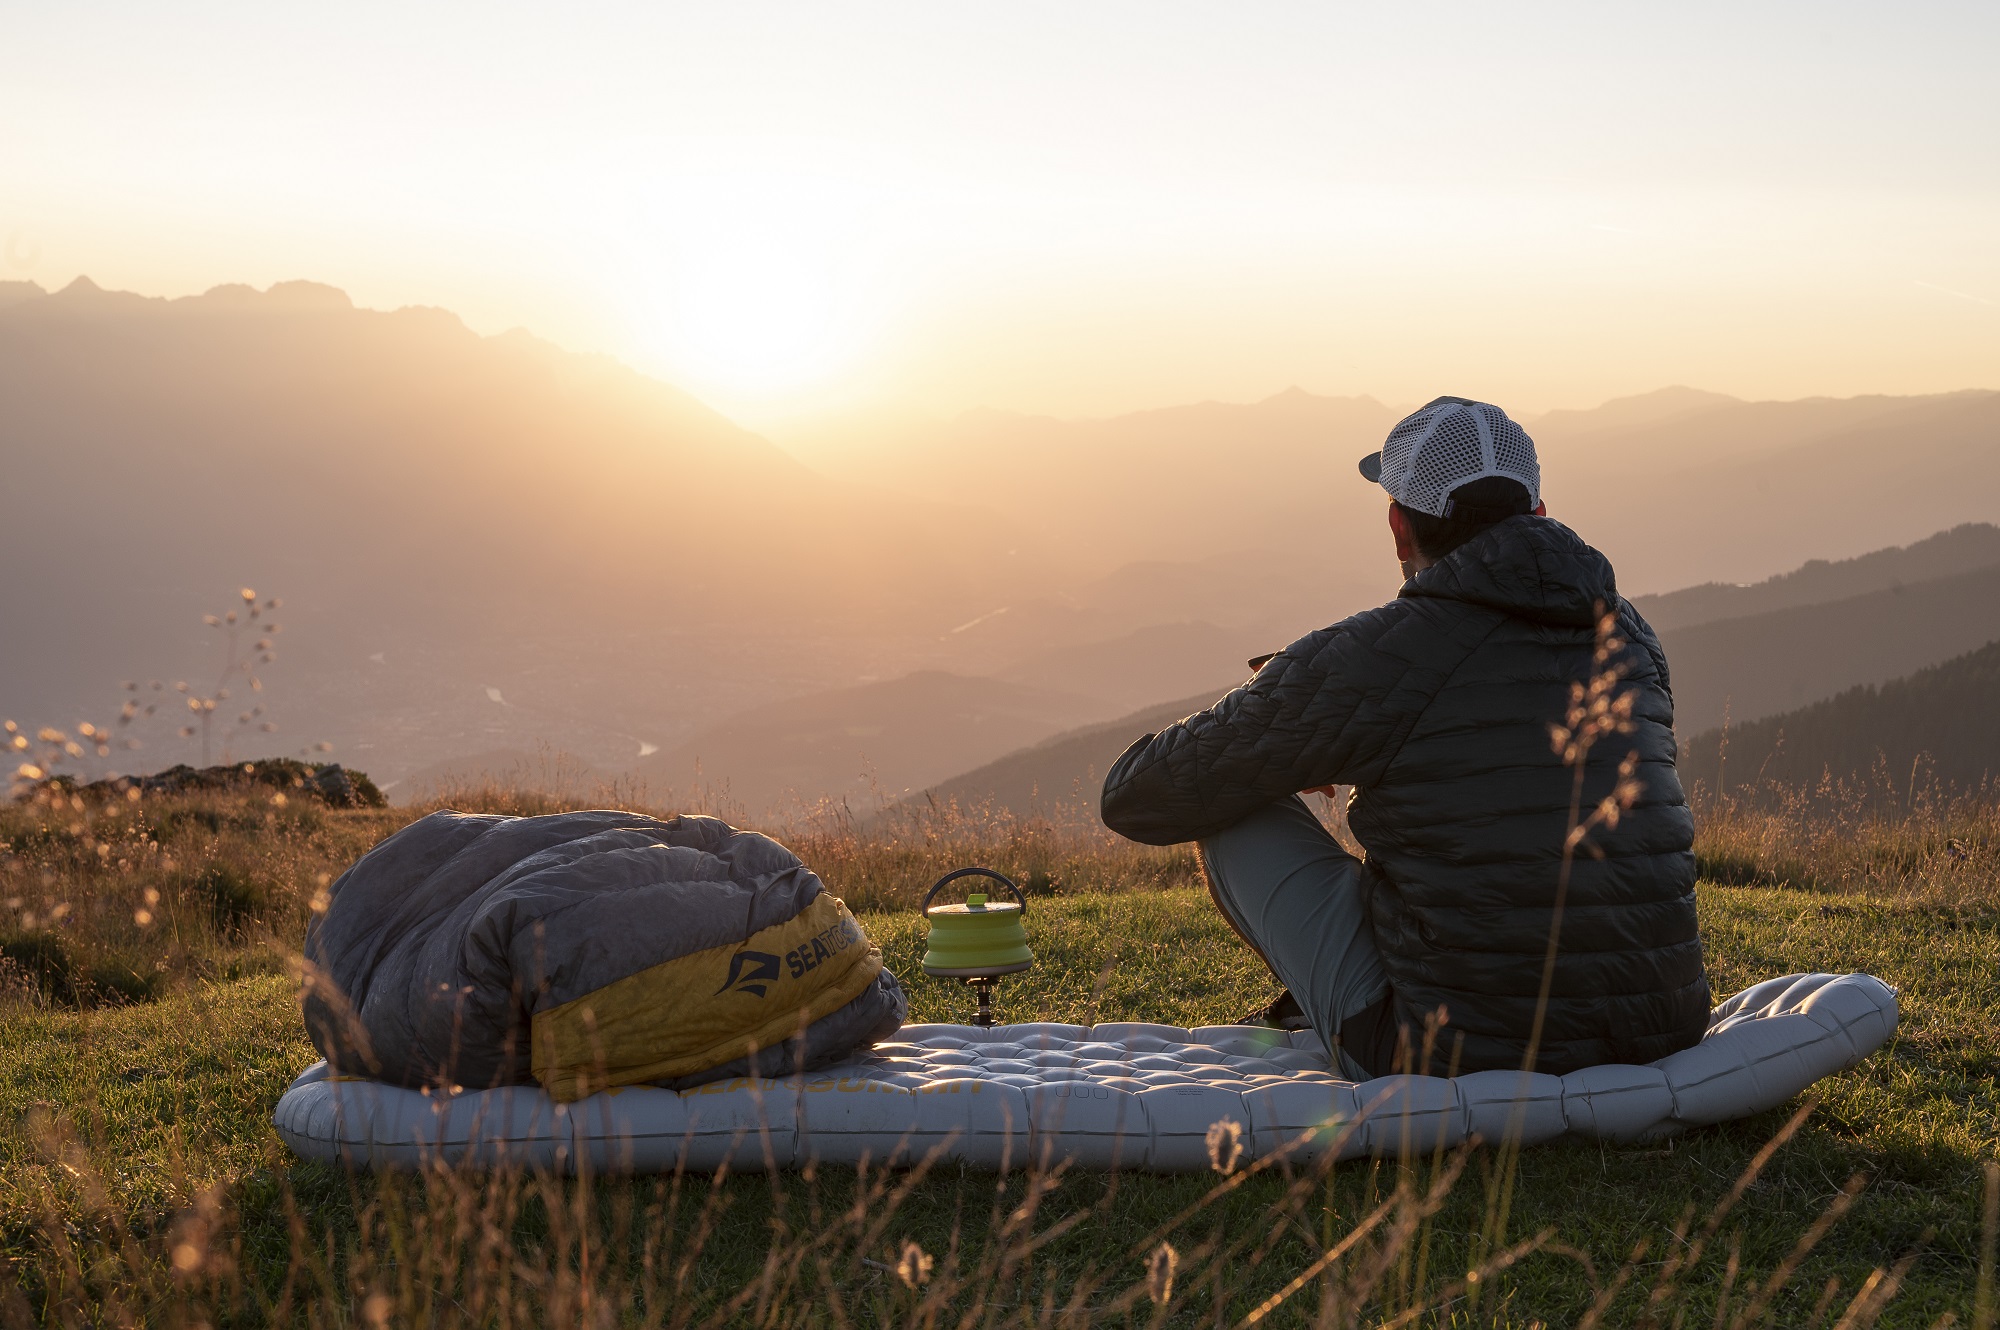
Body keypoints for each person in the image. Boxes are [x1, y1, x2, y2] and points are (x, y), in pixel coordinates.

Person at [1099, 397, 1708, 1080]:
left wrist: (1282, 726)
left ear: (1398, 525)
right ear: (1538, 513)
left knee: (1227, 804)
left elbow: (1138, 795)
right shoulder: (1631, 636)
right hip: (1661, 1030)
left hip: (1448, 1052)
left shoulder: (1381, 652)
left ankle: (1333, 1007)